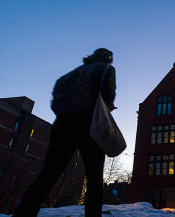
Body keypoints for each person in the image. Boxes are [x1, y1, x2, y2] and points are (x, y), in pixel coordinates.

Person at [13, 48, 116, 217]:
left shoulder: (73, 73)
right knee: (94, 178)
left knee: (48, 174)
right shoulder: (106, 69)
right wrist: (109, 106)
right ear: (107, 58)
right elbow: (108, 96)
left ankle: (23, 214)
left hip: (62, 124)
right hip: (90, 124)